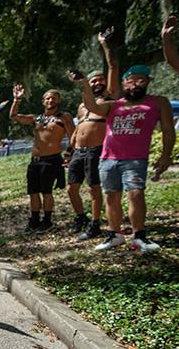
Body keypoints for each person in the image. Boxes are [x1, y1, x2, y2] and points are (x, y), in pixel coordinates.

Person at [70, 65, 174, 252]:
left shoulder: (158, 102)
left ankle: (139, 236)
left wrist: (166, 155)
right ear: (124, 83)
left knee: (135, 193)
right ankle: (114, 235)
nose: (134, 85)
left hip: (135, 159)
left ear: (148, 82)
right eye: (130, 81)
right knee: (111, 196)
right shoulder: (114, 105)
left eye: (140, 80)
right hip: (108, 158)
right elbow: (91, 106)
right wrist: (84, 83)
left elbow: (168, 131)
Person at [66, 30, 119, 241]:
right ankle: (81, 217)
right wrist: (69, 150)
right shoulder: (83, 105)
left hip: (97, 150)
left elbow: (113, 67)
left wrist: (105, 44)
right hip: (78, 151)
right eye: (93, 81)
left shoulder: (110, 99)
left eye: (100, 80)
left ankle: (96, 223)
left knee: (94, 189)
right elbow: (79, 129)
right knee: (72, 189)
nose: (97, 83)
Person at [10, 86, 75, 232]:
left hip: (51, 160)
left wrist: (69, 154)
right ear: (43, 101)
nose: (51, 100)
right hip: (35, 160)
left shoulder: (63, 117)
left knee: (46, 192)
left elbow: (74, 137)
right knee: (33, 192)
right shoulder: (37, 118)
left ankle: (47, 221)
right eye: (48, 98)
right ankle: (34, 220)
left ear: (59, 100)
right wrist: (17, 100)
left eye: (54, 97)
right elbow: (14, 117)